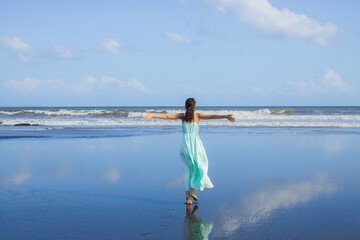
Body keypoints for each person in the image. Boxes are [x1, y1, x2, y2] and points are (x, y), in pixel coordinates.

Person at [144, 98, 235, 204]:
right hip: (196, 146)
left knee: (187, 170)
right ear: (195, 106)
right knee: (200, 167)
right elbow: (212, 116)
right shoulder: (197, 116)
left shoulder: (182, 116)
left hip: (185, 146)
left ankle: (188, 197)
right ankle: (192, 192)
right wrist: (225, 116)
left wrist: (153, 115)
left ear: (185, 106)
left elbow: (166, 116)